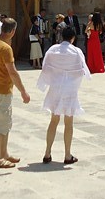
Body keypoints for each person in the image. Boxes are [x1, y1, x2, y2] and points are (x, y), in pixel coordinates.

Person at [38, 25, 90, 165]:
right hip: (69, 91)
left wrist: (54, 77)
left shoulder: (53, 50)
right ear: (73, 38)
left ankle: (47, 153)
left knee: (53, 121)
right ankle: (67, 155)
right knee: (68, 123)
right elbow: (82, 70)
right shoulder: (76, 51)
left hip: (55, 88)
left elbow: (45, 67)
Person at [0, 17, 30, 168]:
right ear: (12, 31)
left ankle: (4, 153)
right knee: (0, 124)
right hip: (2, 90)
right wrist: (23, 91)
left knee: (5, 123)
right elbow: (13, 72)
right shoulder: (5, 48)